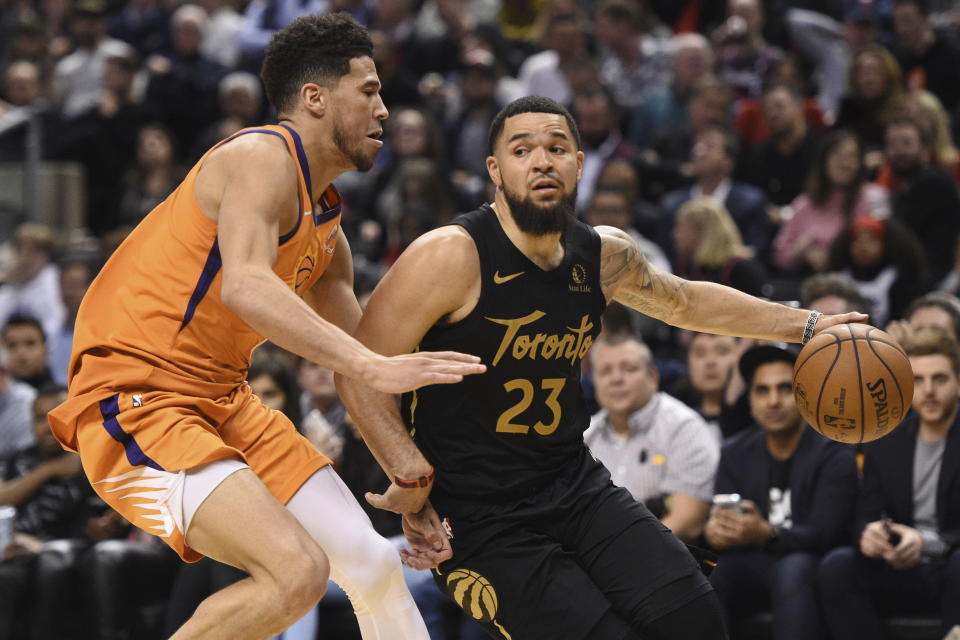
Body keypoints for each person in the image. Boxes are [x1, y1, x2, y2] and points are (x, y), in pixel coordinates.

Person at [337, 95, 866, 640]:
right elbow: (357, 372)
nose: (542, 160)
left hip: (573, 484)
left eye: (557, 147)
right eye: (522, 150)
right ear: (495, 170)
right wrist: (412, 476)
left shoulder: (602, 254)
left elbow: (684, 301)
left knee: (695, 619)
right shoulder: (450, 255)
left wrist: (806, 327)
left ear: (579, 164)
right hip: (478, 516)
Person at [46, 14, 485, 640]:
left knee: (373, 563)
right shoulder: (259, 155)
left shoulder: (328, 224)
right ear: (314, 98)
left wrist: (411, 481)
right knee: (295, 576)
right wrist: (372, 364)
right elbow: (247, 285)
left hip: (224, 400)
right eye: (368, 91)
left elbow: (358, 367)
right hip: (136, 400)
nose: (385, 110)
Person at [704, 345, 858, 640]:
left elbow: (825, 536)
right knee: (710, 571)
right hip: (754, 564)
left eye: (785, 389)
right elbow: (724, 530)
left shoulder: (834, 453)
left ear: (806, 395)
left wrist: (766, 533)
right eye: (762, 391)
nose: (773, 401)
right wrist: (716, 533)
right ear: (749, 400)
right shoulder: (734, 452)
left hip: (814, 565)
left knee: (794, 568)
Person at [818, 328, 960, 638]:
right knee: (837, 566)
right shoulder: (885, 441)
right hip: (900, 566)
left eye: (940, 379)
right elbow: (865, 516)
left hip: (952, 566)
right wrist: (870, 536)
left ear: (958, 383)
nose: (929, 391)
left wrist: (927, 543)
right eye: (918, 381)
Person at [585, 335, 719, 541]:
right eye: (605, 372)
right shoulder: (585, 435)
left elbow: (689, 520)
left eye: (629, 369)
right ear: (594, 382)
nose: (616, 379)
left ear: (653, 377)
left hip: (664, 558)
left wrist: (622, 552)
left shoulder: (684, 428)